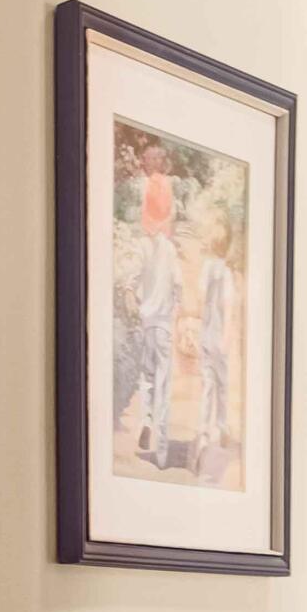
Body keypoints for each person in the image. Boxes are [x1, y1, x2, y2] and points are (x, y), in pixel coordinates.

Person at [131, 153, 181, 462]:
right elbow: (177, 286)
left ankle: (146, 420)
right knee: (164, 380)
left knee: (146, 378)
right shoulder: (170, 250)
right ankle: (162, 448)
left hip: (145, 321)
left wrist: (138, 301)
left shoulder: (141, 246)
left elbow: (133, 279)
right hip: (163, 322)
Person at [195, 211, 236, 458]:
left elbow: (201, 301)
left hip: (206, 334)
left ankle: (203, 431)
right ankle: (220, 427)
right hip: (220, 335)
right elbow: (229, 308)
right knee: (222, 385)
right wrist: (228, 336)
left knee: (208, 384)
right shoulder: (227, 274)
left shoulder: (206, 270)